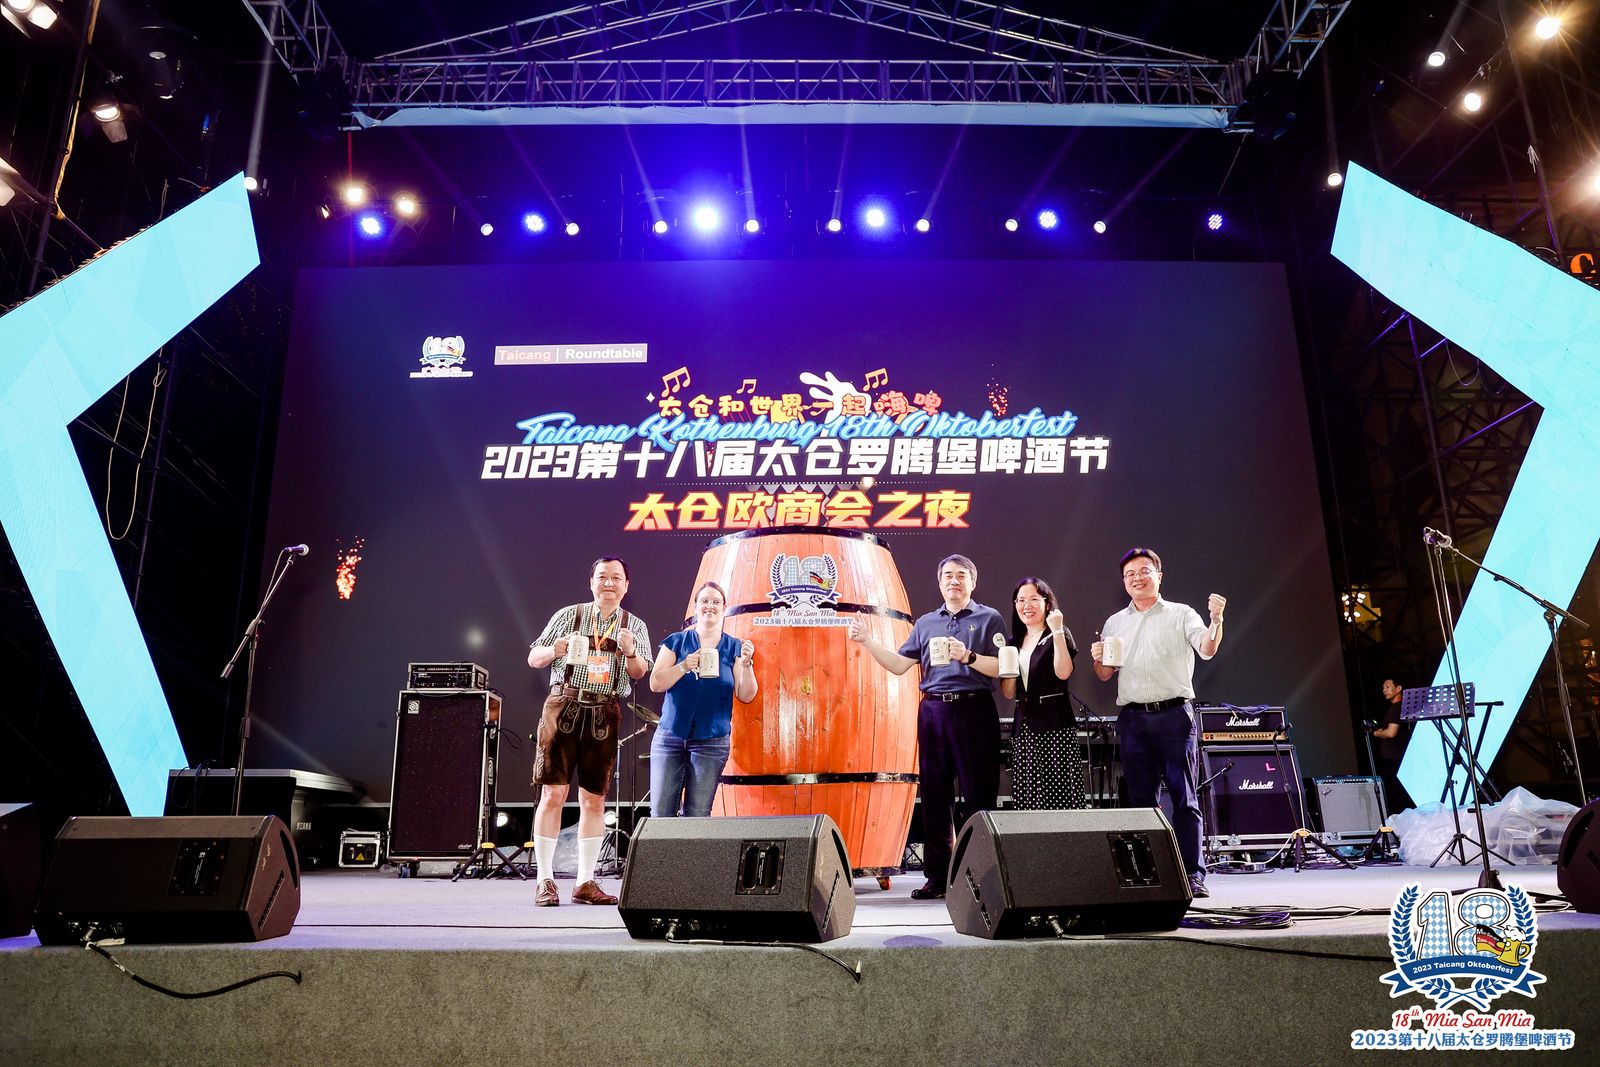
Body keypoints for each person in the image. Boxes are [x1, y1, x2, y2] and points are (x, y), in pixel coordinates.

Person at [849, 554, 1005, 900]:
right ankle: (937, 877)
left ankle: (982, 876)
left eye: (961, 575)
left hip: (975, 709)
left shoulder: (989, 618)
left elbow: (1002, 668)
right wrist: (867, 641)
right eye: (947, 575)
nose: (954, 581)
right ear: (939, 582)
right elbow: (899, 665)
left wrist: (968, 657)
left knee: (979, 796)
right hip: (933, 711)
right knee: (935, 796)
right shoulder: (925, 623)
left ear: (973, 582)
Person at [1090, 547, 1225, 900]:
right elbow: (1104, 674)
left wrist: (1216, 620)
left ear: (1159, 576)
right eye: (1130, 574)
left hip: (1174, 716)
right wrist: (1098, 658)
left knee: (1184, 797)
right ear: (1124, 581)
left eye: (1144, 571)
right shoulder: (1115, 622)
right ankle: (1146, 874)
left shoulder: (1182, 613)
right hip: (1133, 718)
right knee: (1140, 802)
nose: (1137, 578)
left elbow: (1207, 649)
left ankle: (1192, 874)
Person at [526, 556, 653, 906]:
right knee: (553, 793)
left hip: (604, 713)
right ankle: (545, 880)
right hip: (563, 706)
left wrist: (630, 652)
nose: (608, 583)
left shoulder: (634, 625)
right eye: (602, 577)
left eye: (616, 578)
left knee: (594, 799)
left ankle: (585, 881)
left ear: (626, 586)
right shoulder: (569, 615)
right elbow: (534, 658)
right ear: (591, 582)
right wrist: (554, 650)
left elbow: (640, 672)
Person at [648, 581, 758, 817]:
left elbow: (746, 695)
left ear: (724, 608)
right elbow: (655, 683)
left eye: (716, 602)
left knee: (698, 815)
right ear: (695, 606)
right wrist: (683, 666)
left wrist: (747, 663)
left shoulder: (735, 646)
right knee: (660, 815)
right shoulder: (676, 641)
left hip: (711, 741)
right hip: (670, 736)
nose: (710, 606)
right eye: (705, 601)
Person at [1000, 577, 1085, 810]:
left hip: (1054, 724)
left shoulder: (1059, 633)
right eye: (1021, 600)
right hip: (1024, 726)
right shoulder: (1013, 642)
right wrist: (1007, 666)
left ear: (1047, 603)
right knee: (1028, 793)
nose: (1026, 606)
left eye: (1034, 599)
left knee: (1058, 793)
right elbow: (1008, 692)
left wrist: (1057, 630)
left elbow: (1063, 672)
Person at [1370, 678, 1412, 815]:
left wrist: (1376, 733)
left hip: (1394, 758)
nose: (1384, 690)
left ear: (1398, 688)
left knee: (1397, 793)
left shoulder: (1396, 707)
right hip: (1396, 757)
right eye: (1383, 688)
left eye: (1387, 687)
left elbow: (1391, 732)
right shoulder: (1400, 707)